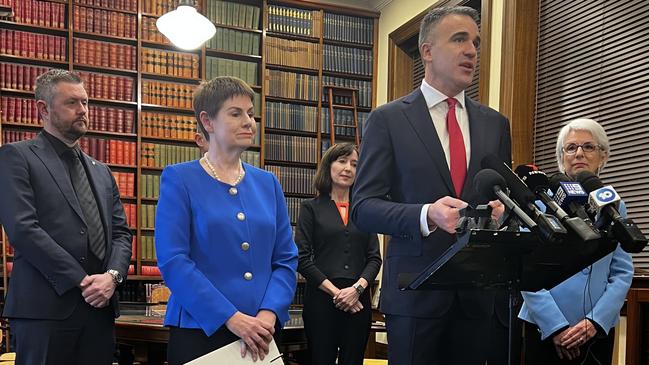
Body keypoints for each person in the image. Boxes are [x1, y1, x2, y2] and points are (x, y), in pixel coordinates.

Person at [351, 6, 512, 365]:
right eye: (459, 39)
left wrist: (503, 214)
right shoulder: (388, 120)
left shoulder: (495, 125)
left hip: (476, 298)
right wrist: (426, 215)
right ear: (427, 51)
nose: (471, 50)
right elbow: (363, 207)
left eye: (476, 42)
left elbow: (503, 199)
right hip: (415, 296)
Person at [155, 76, 298, 365]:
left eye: (250, 113)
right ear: (207, 122)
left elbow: (286, 259)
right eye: (236, 113)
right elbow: (174, 261)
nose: (249, 121)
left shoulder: (268, 183)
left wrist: (269, 314)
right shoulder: (180, 178)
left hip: (263, 333)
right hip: (202, 330)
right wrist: (231, 318)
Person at [0, 69, 133, 364]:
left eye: (85, 102)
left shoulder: (101, 171)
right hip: (45, 310)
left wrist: (111, 278)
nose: (83, 110)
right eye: (72, 103)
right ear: (43, 108)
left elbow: (122, 234)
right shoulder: (16, 157)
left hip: (100, 311)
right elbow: (23, 229)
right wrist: (83, 281)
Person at [518, 118, 633, 364]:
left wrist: (595, 321)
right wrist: (555, 326)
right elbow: (524, 271)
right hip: (545, 327)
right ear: (562, 157)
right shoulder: (537, 203)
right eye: (571, 147)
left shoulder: (614, 205)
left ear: (603, 156)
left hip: (596, 329)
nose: (579, 152)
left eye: (588, 147)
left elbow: (622, 271)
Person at [295, 143, 382, 365]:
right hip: (322, 300)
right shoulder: (310, 208)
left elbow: (374, 258)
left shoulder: (364, 210)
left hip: (358, 301)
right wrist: (338, 294)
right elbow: (302, 258)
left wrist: (356, 290)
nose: (348, 168)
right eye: (342, 161)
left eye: (354, 164)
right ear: (329, 166)